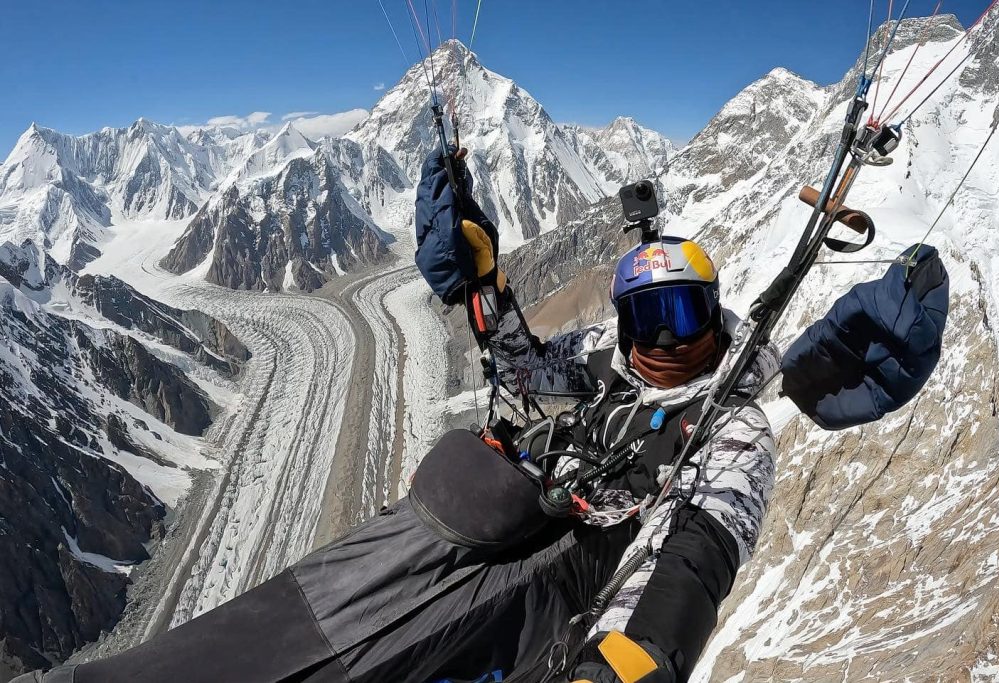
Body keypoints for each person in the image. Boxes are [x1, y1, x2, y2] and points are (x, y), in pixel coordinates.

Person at [14, 150, 779, 683]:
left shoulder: (733, 426)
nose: (668, 338)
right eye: (648, 317)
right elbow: (523, 367)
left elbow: (691, 555)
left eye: (683, 311)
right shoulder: (609, 355)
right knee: (282, 620)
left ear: (717, 311)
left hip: (557, 571)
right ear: (624, 322)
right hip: (484, 512)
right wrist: (482, 287)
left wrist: (633, 656)